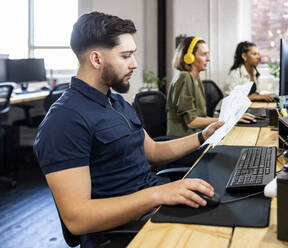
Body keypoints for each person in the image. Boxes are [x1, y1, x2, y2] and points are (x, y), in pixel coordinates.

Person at [33, 12, 224, 248]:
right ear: (96, 59)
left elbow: (152, 150)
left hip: (152, 209)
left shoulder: (116, 102)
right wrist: (159, 194)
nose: (134, 63)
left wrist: (202, 136)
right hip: (123, 233)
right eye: (126, 56)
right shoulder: (65, 120)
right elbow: (77, 219)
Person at [166, 36, 254, 137]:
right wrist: (229, 118)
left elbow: (200, 116)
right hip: (184, 141)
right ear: (189, 57)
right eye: (204, 54)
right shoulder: (184, 77)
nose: (208, 59)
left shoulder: (196, 78)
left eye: (208, 54)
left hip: (197, 136)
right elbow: (192, 122)